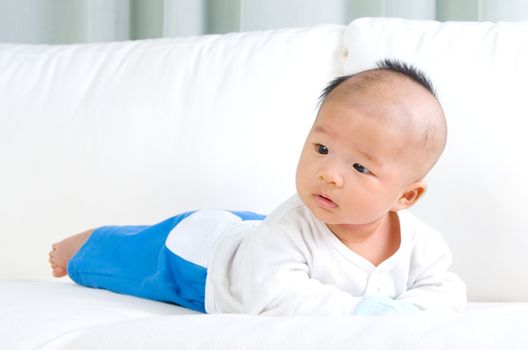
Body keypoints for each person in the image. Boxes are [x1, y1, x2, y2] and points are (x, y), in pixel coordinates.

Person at [49, 59, 467, 316]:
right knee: (136, 258)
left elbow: (447, 293)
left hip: (258, 238)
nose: (329, 174)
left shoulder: (420, 244)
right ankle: (85, 244)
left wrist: (408, 314)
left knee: (258, 231)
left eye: (359, 166)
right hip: (209, 262)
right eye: (322, 148)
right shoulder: (288, 231)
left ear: (406, 196)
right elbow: (275, 302)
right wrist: (373, 313)